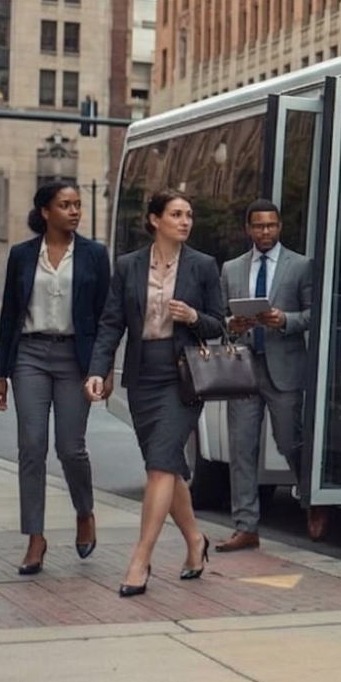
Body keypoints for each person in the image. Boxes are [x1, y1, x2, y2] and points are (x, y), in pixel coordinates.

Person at [86, 189, 228, 597]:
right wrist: (99, 369)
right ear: (155, 220)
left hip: (183, 377)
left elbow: (220, 324)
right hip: (142, 375)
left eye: (189, 214)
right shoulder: (128, 267)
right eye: (176, 214)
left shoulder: (202, 265)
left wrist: (195, 316)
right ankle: (196, 542)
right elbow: (111, 323)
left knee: (160, 467)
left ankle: (140, 559)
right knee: (164, 464)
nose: (185, 221)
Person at [0, 182, 110, 576]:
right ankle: (35, 538)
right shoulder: (22, 256)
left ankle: (84, 511)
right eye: (65, 205)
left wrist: (102, 369)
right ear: (45, 211)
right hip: (29, 355)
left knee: (70, 448)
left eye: (78, 205)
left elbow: (106, 318)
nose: (74, 211)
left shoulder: (94, 255)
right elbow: (10, 315)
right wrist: (0, 374)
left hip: (76, 358)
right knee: (31, 446)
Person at [216, 200, 321, 550]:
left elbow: (314, 315)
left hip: (284, 366)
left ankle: (312, 498)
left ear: (279, 227)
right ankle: (246, 526)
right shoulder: (231, 269)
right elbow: (220, 320)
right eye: (259, 226)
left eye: (271, 226)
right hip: (243, 367)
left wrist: (286, 320)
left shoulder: (301, 266)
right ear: (248, 229)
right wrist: (233, 324)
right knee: (241, 448)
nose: (265, 232)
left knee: (290, 440)